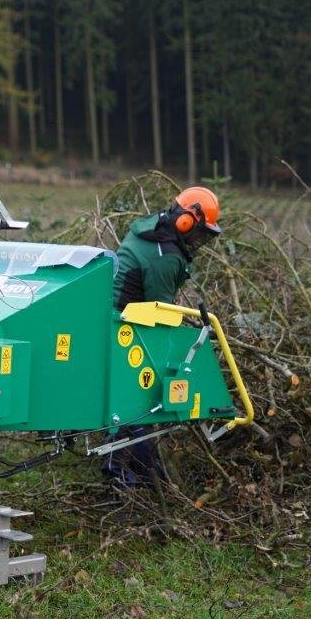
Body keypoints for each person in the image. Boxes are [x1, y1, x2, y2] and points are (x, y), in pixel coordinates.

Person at [103, 186, 223, 490]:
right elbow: (161, 315)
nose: (198, 240)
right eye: (198, 232)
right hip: (129, 322)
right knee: (141, 393)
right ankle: (118, 467)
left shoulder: (154, 227)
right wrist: (174, 361)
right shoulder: (166, 257)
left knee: (135, 392)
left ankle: (143, 465)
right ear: (185, 221)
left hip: (116, 317)